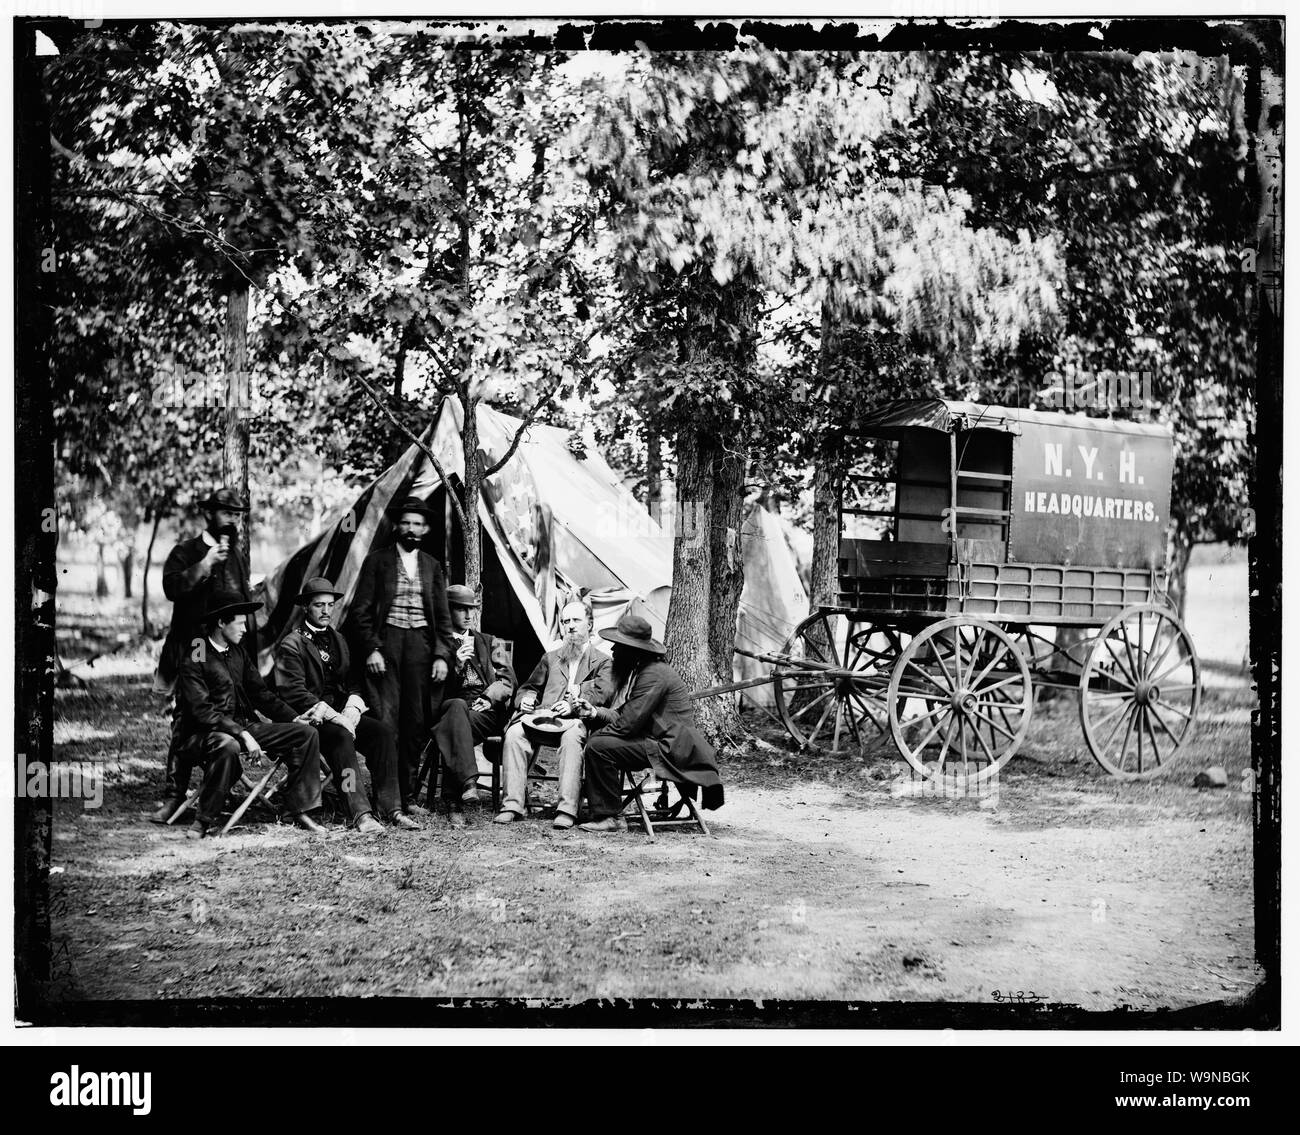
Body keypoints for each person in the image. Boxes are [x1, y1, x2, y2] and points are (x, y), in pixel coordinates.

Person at [273, 577, 420, 834]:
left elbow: (353, 681)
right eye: (319, 605)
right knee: (341, 737)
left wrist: (352, 708)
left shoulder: (339, 639)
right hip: (311, 720)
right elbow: (294, 693)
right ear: (306, 608)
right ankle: (360, 813)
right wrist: (334, 717)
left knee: (382, 733)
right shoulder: (292, 644)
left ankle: (391, 808)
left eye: (330, 605)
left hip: (342, 713)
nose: (326, 611)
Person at [174, 591, 326, 837]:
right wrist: (242, 734)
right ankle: (203, 820)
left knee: (306, 734)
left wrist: (292, 718)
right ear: (221, 622)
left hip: (243, 728)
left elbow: (261, 695)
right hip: (204, 734)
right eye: (240, 622)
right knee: (228, 745)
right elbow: (201, 710)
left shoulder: (238, 652)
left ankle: (298, 810)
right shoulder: (198, 648)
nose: (245, 628)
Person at [150, 486, 256, 824]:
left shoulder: (237, 556)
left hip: (224, 650)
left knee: (224, 714)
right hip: (191, 646)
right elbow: (171, 588)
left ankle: (220, 785)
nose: (232, 520)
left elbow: (240, 602)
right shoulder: (187, 550)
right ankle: (173, 796)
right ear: (209, 514)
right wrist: (205, 564)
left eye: (237, 515)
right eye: (226, 513)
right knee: (185, 720)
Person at [345, 495, 454, 817]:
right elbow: (359, 613)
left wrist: (441, 656)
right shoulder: (377, 561)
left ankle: (409, 797)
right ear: (396, 525)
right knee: (387, 724)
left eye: (417, 524)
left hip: (421, 650)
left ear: (426, 529)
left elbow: (444, 620)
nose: (410, 529)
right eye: (405, 522)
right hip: (387, 648)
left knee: (416, 724)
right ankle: (387, 801)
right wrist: (372, 649)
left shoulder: (432, 567)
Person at [576, 613, 724, 833]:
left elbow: (627, 724)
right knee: (599, 739)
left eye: (619, 646)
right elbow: (626, 715)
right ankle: (603, 807)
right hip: (662, 741)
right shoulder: (644, 671)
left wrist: (598, 735)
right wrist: (595, 712)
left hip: (672, 748)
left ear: (633, 650)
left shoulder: (653, 674)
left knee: (598, 747)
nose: (614, 651)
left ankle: (610, 816)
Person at [494, 599, 613, 829]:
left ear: (590, 624)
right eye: (565, 621)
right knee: (515, 732)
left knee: (572, 737)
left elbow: (603, 694)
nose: (570, 626)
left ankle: (567, 810)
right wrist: (526, 699)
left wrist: (574, 706)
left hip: (575, 723)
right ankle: (512, 805)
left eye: (576, 620)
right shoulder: (550, 658)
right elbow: (529, 687)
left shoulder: (603, 662)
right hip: (542, 720)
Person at [427, 584, 515, 824]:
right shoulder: (435, 645)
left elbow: (507, 680)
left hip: (483, 709)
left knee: (454, 726)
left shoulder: (489, 642)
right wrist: (454, 664)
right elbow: (430, 688)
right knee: (455, 709)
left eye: (471, 609)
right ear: (447, 611)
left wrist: (489, 697)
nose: (468, 615)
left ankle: (455, 802)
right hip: (449, 705)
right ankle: (468, 782)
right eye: (461, 609)